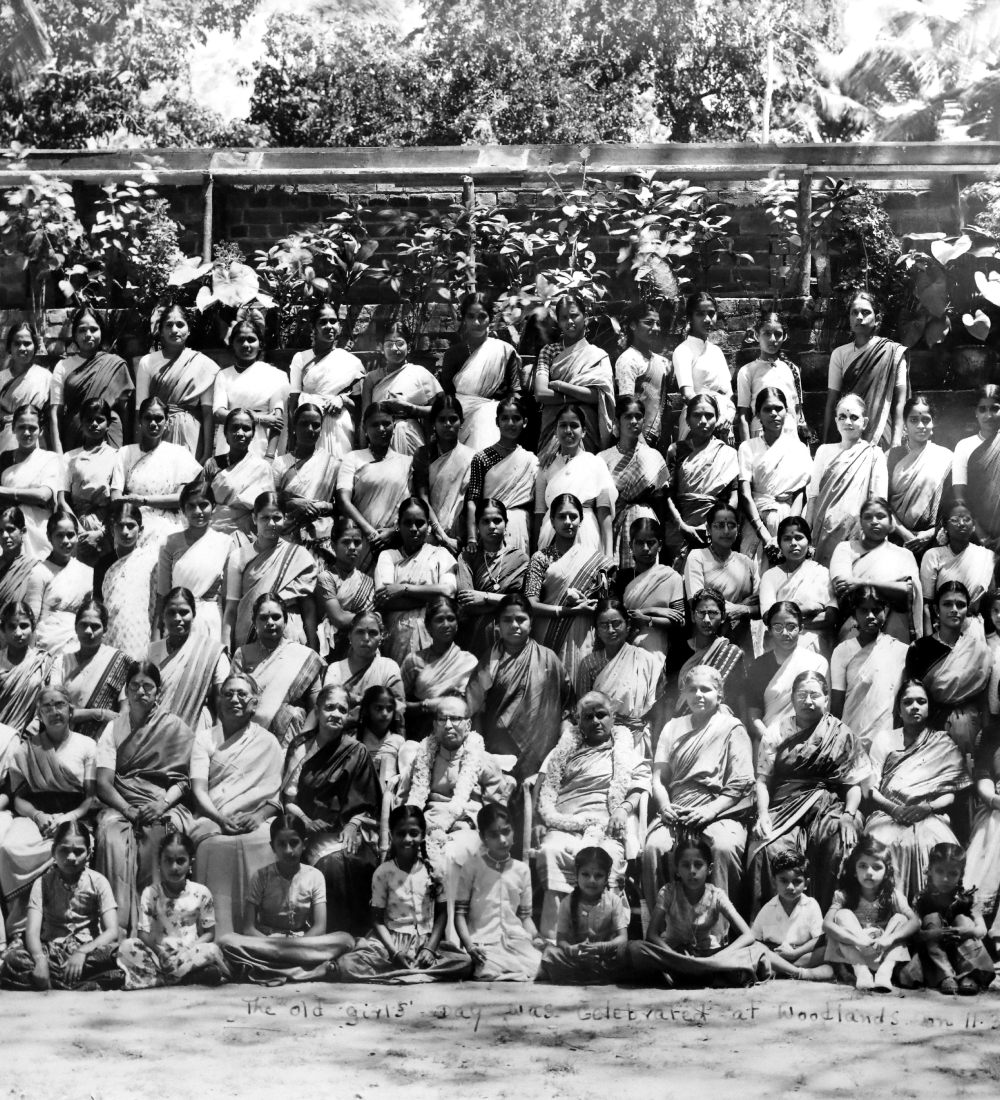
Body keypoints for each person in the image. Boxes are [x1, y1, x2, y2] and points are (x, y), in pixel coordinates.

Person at [748, 670, 870, 913]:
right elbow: (762, 780)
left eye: (815, 695)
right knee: (767, 848)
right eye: (802, 695)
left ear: (826, 699)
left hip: (830, 806)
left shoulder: (841, 733)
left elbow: (853, 784)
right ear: (792, 698)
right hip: (784, 804)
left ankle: (830, 920)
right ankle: (775, 925)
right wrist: (762, 814)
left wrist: (848, 814)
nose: (808, 701)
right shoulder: (777, 731)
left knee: (841, 843)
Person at [536, 691, 649, 940]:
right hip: (564, 823)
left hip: (604, 825)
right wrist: (538, 821)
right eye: (588, 717)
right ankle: (555, 940)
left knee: (603, 858)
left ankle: (604, 941)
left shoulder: (624, 750)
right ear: (580, 722)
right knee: (550, 851)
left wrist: (623, 809)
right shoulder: (565, 750)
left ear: (612, 718)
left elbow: (640, 784)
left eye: (601, 715)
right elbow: (543, 782)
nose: (596, 721)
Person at [94, 660, 197, 932]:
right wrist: (127, 809)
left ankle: (156, 926)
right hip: (121, 802)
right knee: (111, 836)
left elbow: (185, 781)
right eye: (135, 686)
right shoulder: (114, 728)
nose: (141, 691)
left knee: (160, 837)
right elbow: (103, 783)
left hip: (163, 803)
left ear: (157, 693)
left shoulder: (173, 726)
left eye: (148, 686)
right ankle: (118, 927)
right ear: (126, 692)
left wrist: (162, 804)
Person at [642, 666, 754, 912]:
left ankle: (722, 930)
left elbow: (742, 781)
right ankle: (662, 928)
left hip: (720, 808)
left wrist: (710, 811)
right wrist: (664, 806)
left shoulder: (731, 727)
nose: (699, 695)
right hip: (678, 807)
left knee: (722, 847)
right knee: (655, 847)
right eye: (692, 689)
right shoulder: (672, 727)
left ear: (720, 695)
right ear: (683, 694)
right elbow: (658, 778)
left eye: (706, 689)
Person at [187, 672, 284, 937]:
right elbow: (198, 791)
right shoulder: (205, 738)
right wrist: (220, 819)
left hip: (255, 818)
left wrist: (259, 816)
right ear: (219, 700)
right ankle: (217, 933)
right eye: (228, 693)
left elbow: (275, 795)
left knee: (263, 842)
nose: (235, 699)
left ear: (254, 702)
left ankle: (262, 930)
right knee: (214, 846)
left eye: (242, 694)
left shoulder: (268, 742)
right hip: (211, 816)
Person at [282, 684, 382, 935]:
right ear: (317, 710)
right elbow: (287, 798)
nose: (336, 714)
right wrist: (305, 820)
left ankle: (358, 935)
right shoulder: (301, 747)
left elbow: (369, 801)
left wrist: (352, 824)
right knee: (333, 865)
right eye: (329, 707)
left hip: (349, 829)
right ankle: (332, 935)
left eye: (342, 709)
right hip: (310, 832)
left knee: (354, 861)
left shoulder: (356, 751)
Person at [335, 804, 472, 982]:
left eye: (414, 833)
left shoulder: (435, 870)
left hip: (424, 942)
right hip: (390, 943)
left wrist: (429, 949)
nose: (407, 839)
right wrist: (394, 952)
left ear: (423, 834)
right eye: (401, 833)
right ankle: (412, 971)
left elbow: (441, 915)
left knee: (465, 962)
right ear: (392, 835)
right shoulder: (383, 873)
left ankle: (400, 973)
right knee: (347, 964)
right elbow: (376, 920)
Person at [0, 685, 97, 933]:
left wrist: (66, 818)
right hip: (35, 816)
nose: (54, 711)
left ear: (71, 710)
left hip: (75, 816)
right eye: (47, 707)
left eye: (60, 705)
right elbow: (18, 798)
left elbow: (90, 798)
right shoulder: (26, 749)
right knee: (9, 847)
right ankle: (21, 927)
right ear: (39, 715)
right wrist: (38, 815)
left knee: (68, 848)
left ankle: (59, 925)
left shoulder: (87, 745)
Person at [865, 677, 971, 898]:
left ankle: (934, 915)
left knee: (939, 847)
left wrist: (928, 807)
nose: (914, 707)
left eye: (921, 702)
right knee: (881, 846)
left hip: (929, 814)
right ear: (899, 708)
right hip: (887, 814)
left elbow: (950, 793)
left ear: (929, 707)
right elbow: (871, 788)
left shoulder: (942, 742)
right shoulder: (885, 739)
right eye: (908, 702)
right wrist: (893, 809)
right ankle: (888, 912)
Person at [216, 814, 354, 983]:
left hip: (302, 943)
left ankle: (267, 968)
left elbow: (319, 927)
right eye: (281, 844)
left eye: (294, 843)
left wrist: (297, 944)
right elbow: (248, 928)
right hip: (268, 943)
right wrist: (273, 943)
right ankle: (307, 970)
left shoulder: (315, 876)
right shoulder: (261, 876)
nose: (288, 850)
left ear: (305, 844)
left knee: (346, 940)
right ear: (272, 847)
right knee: (226, 941)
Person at [629, 830, 767, 987]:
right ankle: (706, 976)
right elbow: (652, 935)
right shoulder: (668, 892)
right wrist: (676, 957)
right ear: (677, 870)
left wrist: (717, 957)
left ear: (709, 869)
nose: (692, 871)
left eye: (698, 865)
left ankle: (685, 976)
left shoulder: (717, 895)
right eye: (686, 865)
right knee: (636, 948)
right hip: (674, 954)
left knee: (756, 950)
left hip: (709, 956)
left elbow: (748, 935)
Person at [0, 820, 122, 990]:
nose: (71, 857)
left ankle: (54, 981)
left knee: (117, 957)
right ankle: (77, 981)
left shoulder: (98, 882)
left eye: (78, 851)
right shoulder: (42, 883)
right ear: (53, 852)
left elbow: (112, 932)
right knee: (13, 960)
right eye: (64, 850)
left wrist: (82, 952)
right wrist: (40, 959)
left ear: (88, 854)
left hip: (87, 954)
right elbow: (33, 931)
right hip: (52, 952)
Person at [466, 593, 574, 782]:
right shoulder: (489, 661)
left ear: (531, 622)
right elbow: (474, 709)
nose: (514, 625)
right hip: (496, 754)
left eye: (521, 619)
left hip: (541, 750)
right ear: (498, 623)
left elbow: (568, 703)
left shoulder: (549, 658)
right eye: (507, 620)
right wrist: (478, 753)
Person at [117, 831, 229, 989]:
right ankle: (186, 977)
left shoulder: (202, 892)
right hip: (160, 954)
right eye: (168, 861)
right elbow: (143, 933)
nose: (174, 867)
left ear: (191, 862)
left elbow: (210, 933)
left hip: (189, 951)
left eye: (180, 861)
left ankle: (158, 978)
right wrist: (160, 953)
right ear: (160, 862)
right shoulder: (151, 893)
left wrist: (186, 949)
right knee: (128, 946)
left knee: (212, 950)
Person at [454, 803, 544, 980]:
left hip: (516, 941)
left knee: (540, 966)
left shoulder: (522, 870)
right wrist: (470, 947)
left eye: (506, 831)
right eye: (494, 835)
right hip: (483, 942)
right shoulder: (472, 867)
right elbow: (459, 915)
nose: (502, 840)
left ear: (513, 831)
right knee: (486, 968)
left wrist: (538, 938)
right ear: (483, 837)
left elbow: (525, 917)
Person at [526, 493, 610, 684]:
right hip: (546, 637)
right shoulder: (540, 559)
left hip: (582, 640)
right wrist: (569, 611)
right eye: (562, 516)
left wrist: (587, 605)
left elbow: (605, 605)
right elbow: (531, 605)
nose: (568, 522)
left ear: (581, 521)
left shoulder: (594, 560)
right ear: (552, 521)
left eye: (573, 516)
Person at [904, 581, 992, 758]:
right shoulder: (919, 649)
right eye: (947, 604)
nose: (954, 609)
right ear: (936, 610)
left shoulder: (979, 650)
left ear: (967, 609)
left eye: (960, 605)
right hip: (931, 731)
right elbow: (911, 697)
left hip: (971, 729)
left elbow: (984, 702)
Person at [224, 492, 319, 652]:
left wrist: (313, 648)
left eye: (276, 517)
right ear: (254, 518)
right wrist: (227, 649)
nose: (271, 523)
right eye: (264, 518)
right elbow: (231, 609)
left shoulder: (299, 556)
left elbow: (308, 609)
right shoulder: (239, 557)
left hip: (289, 638)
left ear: (285, 518)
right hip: (248, 640)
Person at [822, 835, 918, 991]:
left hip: (882, 951)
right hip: (854, 952)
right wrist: (857, 940)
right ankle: (862, 971)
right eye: (862, 866)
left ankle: (884, 973)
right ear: (854, 870)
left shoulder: (893, 895)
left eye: (877, 867)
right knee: (842, 915)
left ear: (887, 872)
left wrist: (889, 939)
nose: (869, 872)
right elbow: (826, 925)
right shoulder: (843, 895)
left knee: (901, 918)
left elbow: (915, 922)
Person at [900, 841, 995, 995]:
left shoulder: (967, 899)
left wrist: (966, 931)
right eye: (939, 871)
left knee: (963, 919)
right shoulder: (922, 899)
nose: (945, 879)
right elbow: (913, 933)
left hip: (963, 952)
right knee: (931, 918)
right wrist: (933, 934)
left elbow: (981, 929)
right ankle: (945, 976)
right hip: (935, 957)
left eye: (952, 874)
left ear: (961, 875)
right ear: (929, 870)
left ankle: (968, 975)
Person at [110, 396, 203, 550]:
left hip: (169, 526)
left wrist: (143, 500)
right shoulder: (126, 452)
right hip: (133, 525)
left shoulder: (178, 453)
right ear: (140, 421)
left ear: (166, 422)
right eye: (148, 418)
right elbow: (115, 497)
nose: (153, 423)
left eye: (159, 419)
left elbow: (181, 498)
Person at [232, 593, 323, 749]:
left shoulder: (303, 656)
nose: (270, 622)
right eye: (263, 618)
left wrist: (300, 743)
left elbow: (316, 708)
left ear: (286, 621)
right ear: (254, 622)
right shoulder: (243, 655)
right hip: (249, 741)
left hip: (292, 741)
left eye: (276, 617)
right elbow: (233, 702)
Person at [806, 393, 889, 567]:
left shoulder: (874, 454)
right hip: (823, 532)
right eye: (842, 417)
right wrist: (807, 533)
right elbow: (813, 496)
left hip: (858, 534)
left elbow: (879, 501)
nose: (848, 422)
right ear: (836, 421)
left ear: (864, 422)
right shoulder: (823, 451)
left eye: (854, 417)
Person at [374, 497, 459, 666]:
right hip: (397, 637)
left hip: (434, 635)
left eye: (420, 523)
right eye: (408, 523)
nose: (414, 529)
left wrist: (404, 588)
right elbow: (385, 600)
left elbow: (449, 592)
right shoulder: (388, 556)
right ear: (398, 525)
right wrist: (431, 597)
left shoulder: (441, 554)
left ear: (428, 526)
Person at [575, 598, 666, 755]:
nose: (611, 630)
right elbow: (584, 712)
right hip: (600, 744)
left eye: (616, 623)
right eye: (604, 625)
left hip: (638, 742)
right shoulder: (589, 664)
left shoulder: (648, 661)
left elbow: (658, 709)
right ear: (596, 629)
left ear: (628, 624)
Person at [737, 387, 811, 574]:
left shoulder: (799, 448)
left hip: (788, 522)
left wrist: (784, 534)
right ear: (758, 415)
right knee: (754, 580)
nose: (774, 414)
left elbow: (800, 494)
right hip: (756, 521)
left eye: (779, 408)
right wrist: (765, 536)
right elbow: (745, 494)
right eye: (767, 409)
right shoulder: (747, 447)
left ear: (786, 411)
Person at [822, 290, 908, 452]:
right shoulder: (839, 354)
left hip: (881, 433)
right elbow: (832, 401)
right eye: (854, 313)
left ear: (878, 319)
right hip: (847, 433)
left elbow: (900, 401)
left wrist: (897, 440)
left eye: (866, 312)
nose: (859, 317)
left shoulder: (893, 353)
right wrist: (826, 442)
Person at [830, 496, 923, 645]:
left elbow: (909, 592)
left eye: (881, 516)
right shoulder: (845, 548)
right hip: (854, 628)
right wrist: (890, 587)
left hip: (894, 630)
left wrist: (863, 582)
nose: (874, 521)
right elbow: (843, 587)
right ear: (860, 522)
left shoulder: (904, 554)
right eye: (868, 517)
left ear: (891, 522)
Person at [534, 294, 615, 458]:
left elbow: (599, 397)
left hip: (586, 428)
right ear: (558, 321)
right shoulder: (549, 351)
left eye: (574, 315)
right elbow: (541, 393)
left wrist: (560, 386)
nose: (569, 321)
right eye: (564, 317)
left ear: (585, 317)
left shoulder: (598, 356)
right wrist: (579, 396)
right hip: (554, 426)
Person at [336, 402, 414, 573]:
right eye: (374, 424)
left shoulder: (407, 462)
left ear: (394, 425)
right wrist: (371, 534)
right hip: (360, 542)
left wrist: (394, 531)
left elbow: (413, 508)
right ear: (364, 428)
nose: (381, 429)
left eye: (386, 423)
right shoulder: (353, 458)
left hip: (395, 544)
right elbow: (343, 500)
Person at [135, 303, 218, 462]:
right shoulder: (148, 362)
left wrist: (207, 454)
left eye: (180, 324)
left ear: (189, 329)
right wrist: (138, 448)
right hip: (155, 429)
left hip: (189, 433)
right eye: (169, 325)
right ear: (161, 331)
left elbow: (208, 413)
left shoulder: (203, 365)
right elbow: (140, 409)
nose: (174, 330)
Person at [156, 476, 234, 645]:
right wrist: (156, 641)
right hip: (176, 621)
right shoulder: (169, 544)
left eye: (203, 505)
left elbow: (229, 602)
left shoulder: (225, 544)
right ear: (183, 510)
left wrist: (227, 644)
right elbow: (162, 597)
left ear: (213, 507)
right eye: (191, 506)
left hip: (210, 623)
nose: (198, 511)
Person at [440, 292, 522, 451]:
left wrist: (508, 419)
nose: (476, 322)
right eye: (470, 316)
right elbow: (448, 397)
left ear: (490, 318)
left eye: (482, 316)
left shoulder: (503, 350)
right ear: (464, 319)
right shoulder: (453, 354)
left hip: (496, 419)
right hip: (461, 419)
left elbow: (515, 392)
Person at [830, 587, 908, 752]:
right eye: (864, 611)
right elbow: (837, 705)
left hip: (886, 738)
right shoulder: (842, 651)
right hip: (850, 737)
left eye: (876, 610)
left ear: (885, 612)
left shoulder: (900, 651)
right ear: (854, 615)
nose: (870, 616)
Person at [533, 403, 617, 558]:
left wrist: (609, 554)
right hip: (550, 536)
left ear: (583, 431)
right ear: (556, 430)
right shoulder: (545, 466)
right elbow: (539, 512)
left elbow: (604, 513)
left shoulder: (595, 463)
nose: (568, 431)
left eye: (574, 425)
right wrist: (536, 553)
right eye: (563, 425)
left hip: (586, 536)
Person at [538, 846, 630, 984]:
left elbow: (623, 938)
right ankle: (596, 978)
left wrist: (601, 947)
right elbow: (561, 940)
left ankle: (582, 978)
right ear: (576, 874)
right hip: (578, 959)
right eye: (585, 874)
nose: (591, 880)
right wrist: (571, 949)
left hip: (605, 958)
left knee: (630, 953)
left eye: (598, 875)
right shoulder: (567, 903)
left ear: (606, 878)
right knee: (550, 953)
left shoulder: (614, 901)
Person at [747, 602, 830, 753]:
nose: (785, 632)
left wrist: (800, 746)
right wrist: (774, 743)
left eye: (791, 626)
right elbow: (754, 719)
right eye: (778, 627)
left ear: (801, 629)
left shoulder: (817, 663)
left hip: (808, 746)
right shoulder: (758, 666)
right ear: (770, 630)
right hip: (767, 745)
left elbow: (823, 714)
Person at [663, 393, 739, 557]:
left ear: (717, 418)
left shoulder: (727, 453)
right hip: (681, 528)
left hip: (717, 530)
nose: (703, 421)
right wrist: (682, 526)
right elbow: (668, 495)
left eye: (709, 415)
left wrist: (715, 525)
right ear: (688, 420)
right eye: (697, 415)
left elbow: (734, 496)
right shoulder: (676, 450)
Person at [49, 306, 132, 453]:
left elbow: (125, 412)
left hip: (110, 436)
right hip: (75, 436)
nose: (88, 334)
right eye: (82, 330)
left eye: (93, 329)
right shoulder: (63, 366)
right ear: (74, 334)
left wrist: (126, 449)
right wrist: (58, 453)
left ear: (101, 331)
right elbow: (56, 413)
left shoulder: (116, 364)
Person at [287, 301, 364, 458]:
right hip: (309, 424)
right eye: (323, 322)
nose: (329, 326)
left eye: (333, 321)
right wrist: (291, 438)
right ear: (313, 327)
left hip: (339, 424)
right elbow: (293, 403)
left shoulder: (351, 362)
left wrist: (342, 399)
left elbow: (359, 406)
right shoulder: (300, 359)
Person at [463, 395, 538, 555]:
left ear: (524, 422)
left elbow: (534, 506)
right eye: (505, 418)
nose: (510, 423)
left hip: (520, 527)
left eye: (516, 418)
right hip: (490, 525)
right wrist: (472, 537)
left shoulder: (531, 460)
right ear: (497, 422)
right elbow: (472, 500)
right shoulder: (482, 458)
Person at [148, 587, 229, 732]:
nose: (177, 618)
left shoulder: (212, 653)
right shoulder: (150, 652)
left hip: (195, 732)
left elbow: (222, 704)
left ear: (194, 614)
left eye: (184, 612)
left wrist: (217, 743)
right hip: (153, 731)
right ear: (163, 616)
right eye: (171, 613)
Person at [600, 396, 668, 570]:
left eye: (638, 416)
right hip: (613, 524)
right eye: (628, 416)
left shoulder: (653, 456)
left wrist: (661, 536)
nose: (634, 421)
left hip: (645, 522)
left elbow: (660, 501)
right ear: (617, 421)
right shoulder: (603, 458)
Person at [683, 501, 759, 656]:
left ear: (738, 529)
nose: (726, 531)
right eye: (719, 525)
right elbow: (698, 602)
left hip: (740, 641)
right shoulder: (697, 557)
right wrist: (738, 608)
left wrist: (743, 609)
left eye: (731, 525)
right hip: (706, 639)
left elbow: (761, 607)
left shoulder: (747, 563)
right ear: (709, 529)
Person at [456, 498, 530, 657]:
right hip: (474, 636)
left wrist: (484, 596)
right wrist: (505, 601)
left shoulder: (520, 558)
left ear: (506, 523)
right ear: (477, 525)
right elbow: (467, 601)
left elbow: (522, 603)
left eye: (497, 520)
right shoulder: (468, 556)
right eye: (485, 521)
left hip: (510, 636)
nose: (491, 526)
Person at [758, 517, 838, 660]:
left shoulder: (822, 573)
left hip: (815, 649)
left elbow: (830, 618)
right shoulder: (770, 576)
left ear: (809, 541)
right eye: (787, 539)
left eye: (799, 538)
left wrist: (784, 623)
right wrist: (808, 608)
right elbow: (767, 617)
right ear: (780, 544)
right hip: (780, 650)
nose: (793, 543)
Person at [400, 597, 478, 741]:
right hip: (420, 735)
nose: (446, 624)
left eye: (450, 618)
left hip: (458, 737)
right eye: (439, 620)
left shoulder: (469, 662)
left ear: (457, 624)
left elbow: (474, 706)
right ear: (428, 626)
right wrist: (425, 706)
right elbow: (397, 704)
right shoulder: (414, 661)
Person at [749, 850, 833, 981]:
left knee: (825, 951)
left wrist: (795, 953)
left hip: (801, 953)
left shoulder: (811, 904)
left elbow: (819, 938)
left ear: (806, 884)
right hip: (777, 954)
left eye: (797, 881)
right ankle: (799, 973)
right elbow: (755, 940)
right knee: (758, 953)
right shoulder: (768, 908)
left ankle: (779, 970)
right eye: (783, 880)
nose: (790, 887)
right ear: (774, 881)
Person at [212, 316, 288, 459]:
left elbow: (277, 420)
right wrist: (259, 418)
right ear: (232, 344)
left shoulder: (275, 376)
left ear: (260, 344)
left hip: (261, 446)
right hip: (230, 442)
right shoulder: (224, 375)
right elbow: (218, 414)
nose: (246, 344)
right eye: (240, 340)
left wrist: (270, 455)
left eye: (251, 340)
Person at [887, 394, 953, 559]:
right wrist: (904, 534)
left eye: (926, 420)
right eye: (914, 420)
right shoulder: (889, 457)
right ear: (905, 423)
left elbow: (952, 504)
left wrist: (931, 533)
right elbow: (882, 502)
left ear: (933, 423)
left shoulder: (946, 458)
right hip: (896, 541)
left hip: (934, 543)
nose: (921, 425)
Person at [362, 321, 442, 456]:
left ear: (408, 347)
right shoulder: (372, 378)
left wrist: (409, 408)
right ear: (382, 347)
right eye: (389, 344)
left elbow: (440, 409)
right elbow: (365, 418)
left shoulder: (420, 373)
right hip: (380, 437)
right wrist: (363, 450)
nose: (394, 348)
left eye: (399, 343)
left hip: (411, 434)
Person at [668, 588, 747, 722]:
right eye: (701, 613)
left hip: (719, 723)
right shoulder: (678, 650)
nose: (706, 620)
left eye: (713, 613)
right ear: (692, 616)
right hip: (684, 722)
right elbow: (670, 698)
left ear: (722, 616)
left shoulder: (730, 653)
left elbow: (740, 698)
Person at [55, 600, 130, 740]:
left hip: (102, 745)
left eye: (95, 626)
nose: (88, 631)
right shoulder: (61, 663)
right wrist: (99, 713)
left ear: (105, 630)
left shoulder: (120, 661)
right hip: (62, 742)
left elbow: (125, 712)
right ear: (75, 627)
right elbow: (55, 711)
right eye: (83, 625)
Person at [272, 400, 339, 556]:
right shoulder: (280, 463)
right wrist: (293, 503)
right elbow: (271, 503)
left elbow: (340, 506)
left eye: (315, 425)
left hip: (321, 538)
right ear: (294, 428)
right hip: (287, 535)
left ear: (321, 428)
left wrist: (322, 506)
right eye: (304, 424)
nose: (310, 429)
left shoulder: (332, 464)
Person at [202, 409, 276, 544]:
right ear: (225, 433)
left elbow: (267, 509)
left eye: (246, 429)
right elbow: (202, 502)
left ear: (253, 434)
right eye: (234, 428)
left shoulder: (262, 467)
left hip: (247, 537)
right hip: (212, 534)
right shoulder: (212, 464)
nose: (240, 433)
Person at [614, 517, 684, 658]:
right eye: (639, 543)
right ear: (630, 545)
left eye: (651, 543)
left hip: (657, 653)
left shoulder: (671, 577)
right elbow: (615, 615)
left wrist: (646, 620)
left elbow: (679, 621)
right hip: (623, 648)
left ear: (660, 545)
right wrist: (653, 610)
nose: (645, 548)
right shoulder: (621, 577)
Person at [920, 499, 995, 630]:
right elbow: (926, 605)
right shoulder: (933, 555)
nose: (961, 523)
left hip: (974, 630)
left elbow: (991, 599)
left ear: (973, 526)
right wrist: (929, 644)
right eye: (955, 519)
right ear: (945, 526)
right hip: (941, 630)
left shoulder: (987, 557)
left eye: (967, 519)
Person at [323, 611, 405, 731]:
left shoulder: (388, 667)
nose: (366, 638)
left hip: (379, 740)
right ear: (350, 636)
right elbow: (328, 705)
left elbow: (398, 709)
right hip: (340, 739)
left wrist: (358, 706)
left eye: (373, 633)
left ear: (381, 637)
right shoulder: (335, 669)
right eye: (360, 632)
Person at [97, 502, 158, 662]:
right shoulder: (103, 564)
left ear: (141, 530)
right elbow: (98, 607)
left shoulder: (150, 562)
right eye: (120, 526)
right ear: (112, 529)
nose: (125, 532)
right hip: (109, 639)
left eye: (131, 526)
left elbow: (156, 606)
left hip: (140, 638)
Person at [413, 395, 474, 555]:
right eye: (442, 420)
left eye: (453, 419)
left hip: (460, 538)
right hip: (430, 534)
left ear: (461, 421)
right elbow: (423, 498)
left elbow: (471, 502)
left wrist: (461, 539)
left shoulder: (471, 457)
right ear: (433, 423)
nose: (448, 424)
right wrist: (441, 536)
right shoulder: (423, 454)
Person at [0, 404, 62, 561]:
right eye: (21, 427)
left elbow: (43, 495)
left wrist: (6, 491)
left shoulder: (50, 459)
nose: (27, 432)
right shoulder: (4, 459)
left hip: (38, 530)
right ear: (13, 429)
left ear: (41, 430)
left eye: (32, 428)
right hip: (8, 531)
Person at [672, 290, 736, 442]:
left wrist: (728, 417)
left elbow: (729, 393)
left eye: (711, 313)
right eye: (700, 314)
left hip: (723, 422)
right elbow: (688, 394)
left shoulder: (716, 351)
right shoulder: (684, 350)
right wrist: (713, 417)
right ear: (690, 318)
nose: (707, 319)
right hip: (698, 420)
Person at [59, 398, 118, 563]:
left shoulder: (117, 456)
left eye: (100, 420)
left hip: (106, 529)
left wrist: (102, 533)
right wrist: (79, 532)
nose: (94, 424)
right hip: (76, 529)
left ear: (108, 423)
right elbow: (62, 500)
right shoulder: (69, 457)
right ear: (81, 422)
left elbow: (118, 500)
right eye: (89, 419)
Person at [735, 309, 802, 443]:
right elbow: (743, 415)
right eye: (766, 333)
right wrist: (747, 448)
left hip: (789, 435)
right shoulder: (747, 371)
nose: (772, 339)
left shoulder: (791, 369)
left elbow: (797, 411)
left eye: (778, 334)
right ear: (757, 336)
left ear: (784, 337)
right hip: (760, 435)